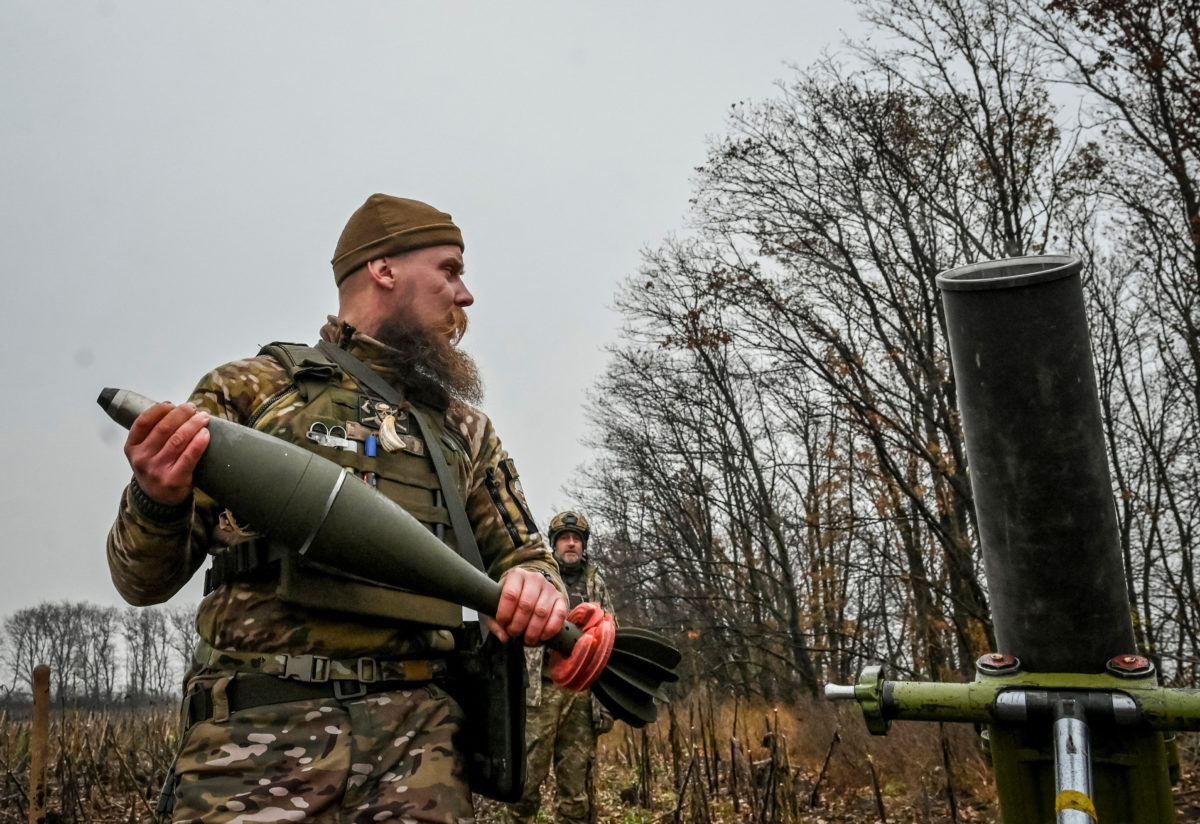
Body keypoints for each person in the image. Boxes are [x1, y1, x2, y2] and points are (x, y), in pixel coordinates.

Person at [106, 193, 568, 824]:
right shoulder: (252, 391)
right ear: (384, 269)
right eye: (450, 270)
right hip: (258, 747)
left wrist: (538, 588)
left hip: (421, 753)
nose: (465, 296)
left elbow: (528, 557)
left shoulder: (464, 428)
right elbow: (141, 582)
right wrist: (156, 499)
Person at [509, 511, 615, 824]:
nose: (571, 544)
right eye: (564, 539)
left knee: (576, 789)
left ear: (583, 545)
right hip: (538, 695)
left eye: (577, 539)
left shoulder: (596, 584)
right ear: (554, 545)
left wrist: (606, 704)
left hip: (582, 697)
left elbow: (612, 642)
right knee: (525, 784)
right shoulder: (537, 579)